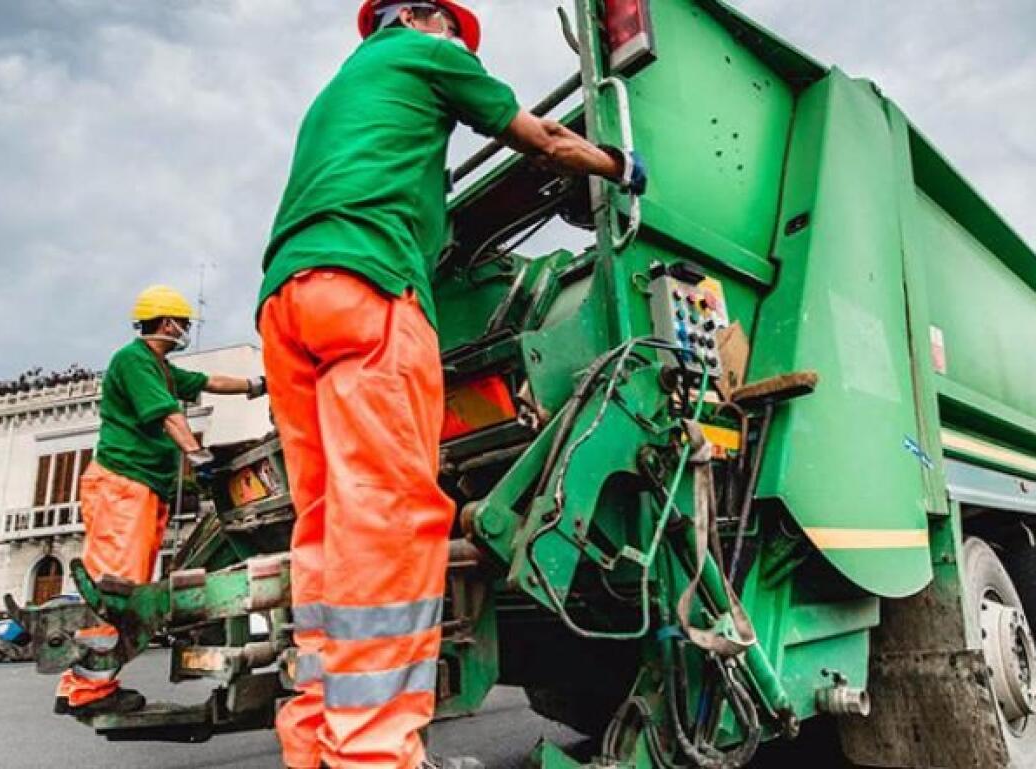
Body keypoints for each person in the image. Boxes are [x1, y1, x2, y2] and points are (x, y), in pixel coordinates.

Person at [257, 1, 647, 767]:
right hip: (369, 289)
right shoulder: (428, 57)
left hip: (286, 302)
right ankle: (373, 752)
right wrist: (620, 168)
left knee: (326, 528)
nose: (459, 47)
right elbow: (544, 139)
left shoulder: (343, 87)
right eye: (458, 35)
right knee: (392, 519)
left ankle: (316, 739)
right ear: (429, 16)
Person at [55, 285, 266, 717]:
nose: (186, 329)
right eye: (184, 323)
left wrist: (259, 384)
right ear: (167, 322)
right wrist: (197, 453)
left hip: (140, 487)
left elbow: (209, 381)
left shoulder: (162, 368)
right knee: (116, 589)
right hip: (122, 484)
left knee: (126, 587)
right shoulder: (134, 361)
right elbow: (167, 414)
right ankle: (86, 689)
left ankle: (77, 684)